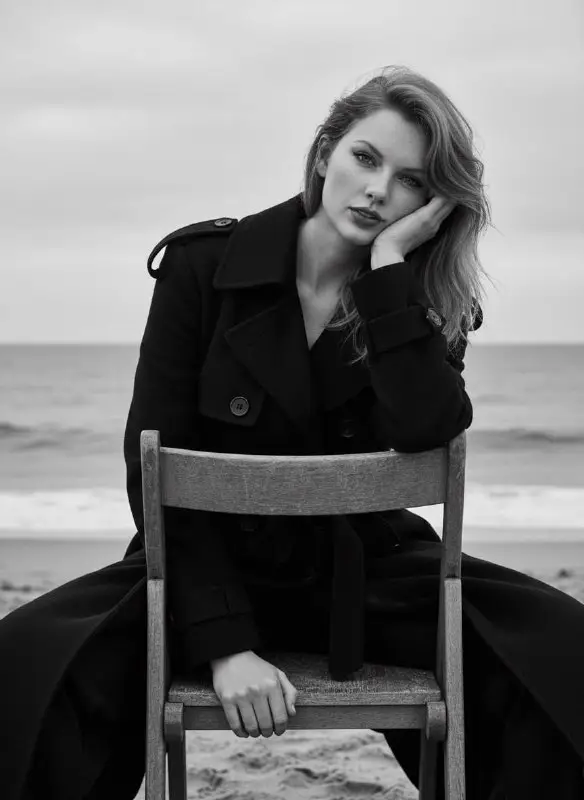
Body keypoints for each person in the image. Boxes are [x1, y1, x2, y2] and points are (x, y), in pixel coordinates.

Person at [0, 64, 583, 800]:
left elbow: (428, 429)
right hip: (201, 569)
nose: (377, 191)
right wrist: (224, 645)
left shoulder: (426, 303)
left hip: (365, 576)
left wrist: (387, 277)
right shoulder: (200, 269)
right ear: (324, 153)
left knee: (556, 660)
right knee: (31, 670)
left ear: (432, 204)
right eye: (365, 158)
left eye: (408, 180)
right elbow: (148, 472)